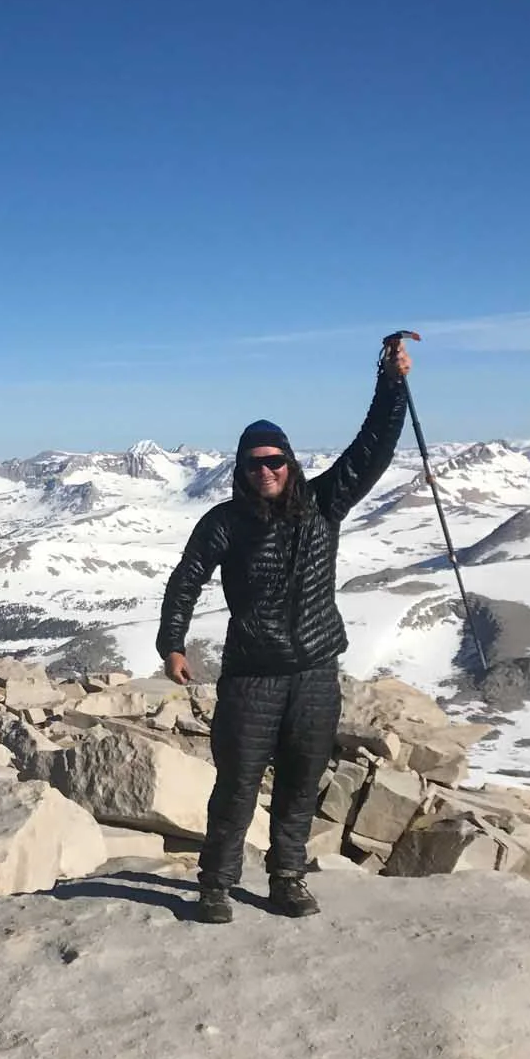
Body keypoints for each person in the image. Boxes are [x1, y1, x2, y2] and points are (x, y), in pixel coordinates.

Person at [157, 334, 412, 922]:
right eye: (255, 463)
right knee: (237, 788)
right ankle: (216, 886)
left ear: (290, 464)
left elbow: (372, 447)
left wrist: (392, 382)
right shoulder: (225, 522)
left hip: (317, 674)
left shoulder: (325, 503)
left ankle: (287, 878)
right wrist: (172, 642)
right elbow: (186, 579)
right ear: (242, 471)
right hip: (253, 679)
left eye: (276, 461)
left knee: (301, 785)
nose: (267, 470)